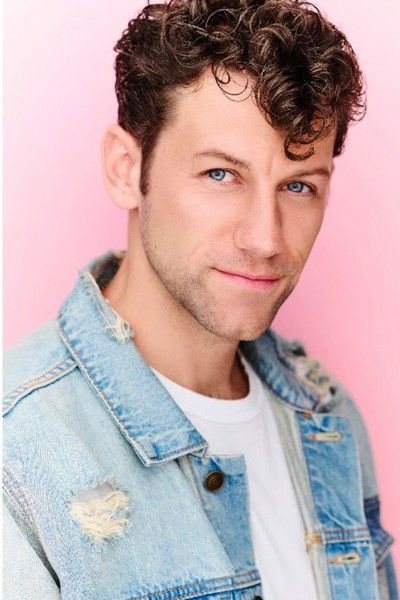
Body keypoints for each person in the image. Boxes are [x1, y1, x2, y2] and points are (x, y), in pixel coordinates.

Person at [3, 0, 398, 598]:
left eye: (298, 186)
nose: (265, 239)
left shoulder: (328, 416)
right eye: (220, 175)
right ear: (126, 169)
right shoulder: (18, 452)